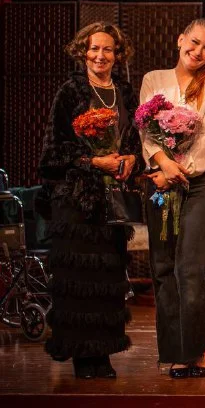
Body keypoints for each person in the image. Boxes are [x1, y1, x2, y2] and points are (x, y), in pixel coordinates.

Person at [39, 23, 142, 379]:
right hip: (76, 201)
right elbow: (53, 154)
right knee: (80, 280)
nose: (100, 56)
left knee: (107, 280)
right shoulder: (70, 91)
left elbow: (135, 140)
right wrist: (94, 162)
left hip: (112, 200)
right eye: (94, 49)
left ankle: (103, 352)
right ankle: (83, 356)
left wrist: (131, 159)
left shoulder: (125, 91)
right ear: (83, 52)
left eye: (108, 49)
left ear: (118, 54)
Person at [139, 19, 205, 379]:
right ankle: (174, 353)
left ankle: (196, 350)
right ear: (180, 40)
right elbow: (146, 132)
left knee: (190, 267)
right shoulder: (154, 79)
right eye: (194, 42)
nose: (199, 51)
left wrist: (178, 170)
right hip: (159, 179)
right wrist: (162, 165)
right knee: (163, 268)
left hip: (199, 182)